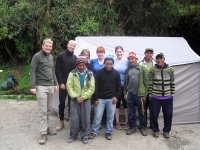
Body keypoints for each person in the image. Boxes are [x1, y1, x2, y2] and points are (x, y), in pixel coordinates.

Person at [30, 38, 58, 144]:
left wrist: (55, 83)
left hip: (50, 86)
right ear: (42, 45)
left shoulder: (50, 57)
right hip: (41, 86)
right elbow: (32, 71)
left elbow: (52, 70)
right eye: (47, 45)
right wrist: (33, 86)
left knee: (48, 109)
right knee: (42, 111)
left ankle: (46, 129)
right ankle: (43, 134)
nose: (48, 47)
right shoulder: (37, 56)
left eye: (50, 46)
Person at [89, 55, 121, 140]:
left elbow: (119, 87)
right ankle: (94, 131)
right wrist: (95, 98)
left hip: (112, 99)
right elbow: (95, 86)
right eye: (107, 64)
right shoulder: (99, 73)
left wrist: (116, 97)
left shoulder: (116, 73)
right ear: (104, 63)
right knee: (97, 116)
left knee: (110, 117)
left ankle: (108, 132)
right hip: (100, 99)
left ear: (113, 64)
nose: (109, 66)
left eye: (110, 64)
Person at [67, 56, 95, 144]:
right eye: (79, 65)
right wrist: (75, 97)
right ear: (77, 65)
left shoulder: (90, 74)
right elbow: (69, 86)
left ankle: (85, 136)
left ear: (86, 65)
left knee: (86, 119)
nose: (81, 67)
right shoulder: (72, 74)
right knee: (74, 119)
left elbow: (92, 88)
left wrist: (83, 97)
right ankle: (73, 135)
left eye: (83, 65)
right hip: (74, 100)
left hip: (85, 100)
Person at [149, 52, 175, 138]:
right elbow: (150, 83)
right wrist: (150, 94)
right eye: (157, 59)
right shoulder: (152, 69)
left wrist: (172, 94)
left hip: (167, 97)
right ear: (155, 60)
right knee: (153, 115)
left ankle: (166, 131)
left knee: (168, 115)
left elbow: (172, 82)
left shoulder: (170, 69)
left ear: (164, 59)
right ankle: (155, 130)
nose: (159, 60)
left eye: (161, 58)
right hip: (155, 97)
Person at [124, 52, 149, 136]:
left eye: (133, 58)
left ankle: (143, 127)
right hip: (130, 94)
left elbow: (146, 82)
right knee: (131, 112)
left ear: (136, 59)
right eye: (130, 59)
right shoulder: (128, 70)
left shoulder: (142, 68)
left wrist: (145, 94)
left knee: (142, 112)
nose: (131, 60)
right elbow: (125, 82)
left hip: (140, 95)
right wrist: (125, 93)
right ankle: (133, 127)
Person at [55, 40, 77, 131]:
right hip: (63, 84)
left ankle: (70, 120)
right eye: (71, 45)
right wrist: (60, 83)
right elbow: (57, 70)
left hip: (71, 85)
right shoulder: (60, 56)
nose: (72, 47)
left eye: (74, 46)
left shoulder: (75, 57)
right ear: (67, 45)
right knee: (62, 103)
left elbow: (76, 72)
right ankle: (61, 121)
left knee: (72, 103)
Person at [139, 48, 155, 129]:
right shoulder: (141, 64)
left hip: (153, 90)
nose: (149, 54)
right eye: (147, 53)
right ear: (144, 53)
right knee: (143, 109)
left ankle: (152, 125)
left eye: (150, 53)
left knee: (153, 109)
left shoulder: (155, 63)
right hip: (144, 90)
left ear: (152, 54)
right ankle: (143, 125)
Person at [114, 46, 129, 130]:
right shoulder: (113, 62)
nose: (119, 53)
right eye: (117, 52)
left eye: (120, 52)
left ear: (123, 52)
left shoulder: (127, 62)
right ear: (115, 53)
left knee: (126, 105)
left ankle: (127, 122)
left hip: (125, 87)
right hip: (116, 87)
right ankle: (117, 122)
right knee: (117, 105)